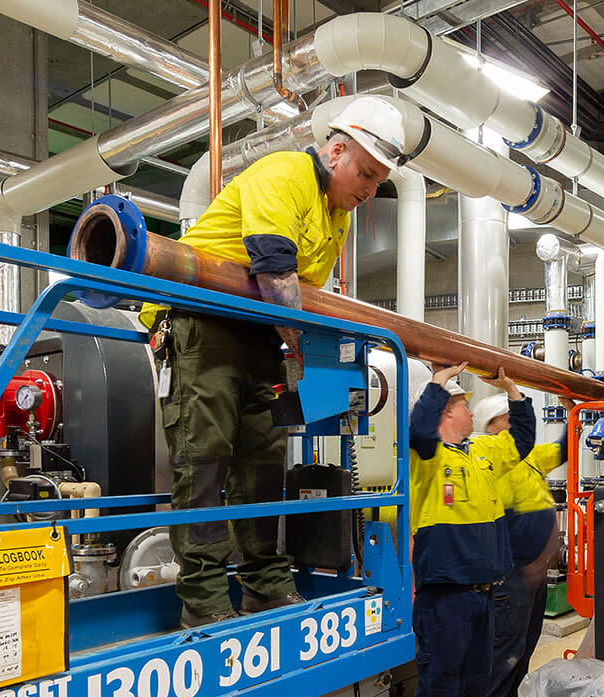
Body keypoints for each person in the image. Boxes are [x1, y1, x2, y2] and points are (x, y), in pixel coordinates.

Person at [146, 97, 408, 627]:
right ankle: (203, 595)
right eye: (365, 173)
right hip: (204, 321)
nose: (369, 189)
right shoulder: (284, 173)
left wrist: (299, 350)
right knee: (204, 461)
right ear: (336, 152)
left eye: (379, 180)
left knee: (263, 465)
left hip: (262, 334)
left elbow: (308, 295)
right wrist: (299, 350)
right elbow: (275, 274)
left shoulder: (339, 215)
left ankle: (265, 582)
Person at [407, 364, 533, 697]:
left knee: (473, 686)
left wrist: (513, 390)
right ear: (446, 413)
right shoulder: (424, 457)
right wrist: (438, 381)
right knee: (439, 689)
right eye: (461, 403)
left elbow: (520, 439)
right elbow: (418, 427)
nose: (468, 409)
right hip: (446, 598)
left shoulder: (480, 452)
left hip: (484, 593)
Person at [470, 395, 566, 697]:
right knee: (505, 649)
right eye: (507, 420)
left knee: (525, 644)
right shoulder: (493, 468)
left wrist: (574, 408)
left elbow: (562, 449)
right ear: (491, 428)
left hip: (535, 574)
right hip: (513, 574)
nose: (515, 426)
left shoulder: (528, 460)